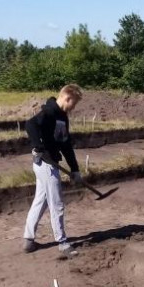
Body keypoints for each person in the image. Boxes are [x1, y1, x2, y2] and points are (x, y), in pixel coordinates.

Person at [22, 84, 84, 258]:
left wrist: (75, 169)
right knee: (56, 204)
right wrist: (37, 146)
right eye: (75, 103)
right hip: (46, 164)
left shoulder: (62, 117)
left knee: (40, 201)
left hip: (50, 163)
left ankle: (28, 239)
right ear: (67, 98)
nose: (74, 107)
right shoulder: (49, 112)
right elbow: (30, 125)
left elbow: (65, 144)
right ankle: (63, 243)